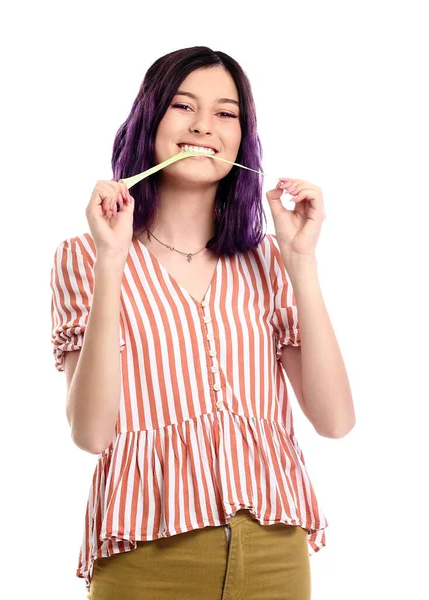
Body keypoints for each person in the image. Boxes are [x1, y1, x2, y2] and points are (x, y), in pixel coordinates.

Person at [50, 46, 355, 600]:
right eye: (183, 106)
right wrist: (112, 262)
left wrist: (302, 264)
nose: (203, 127)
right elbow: (91, 434)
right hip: (147, 555)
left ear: (242, 137)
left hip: (274, 553)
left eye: (225, 113)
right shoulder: (86, 258)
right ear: (151, 121)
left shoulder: (269, 260)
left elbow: (335, 421)